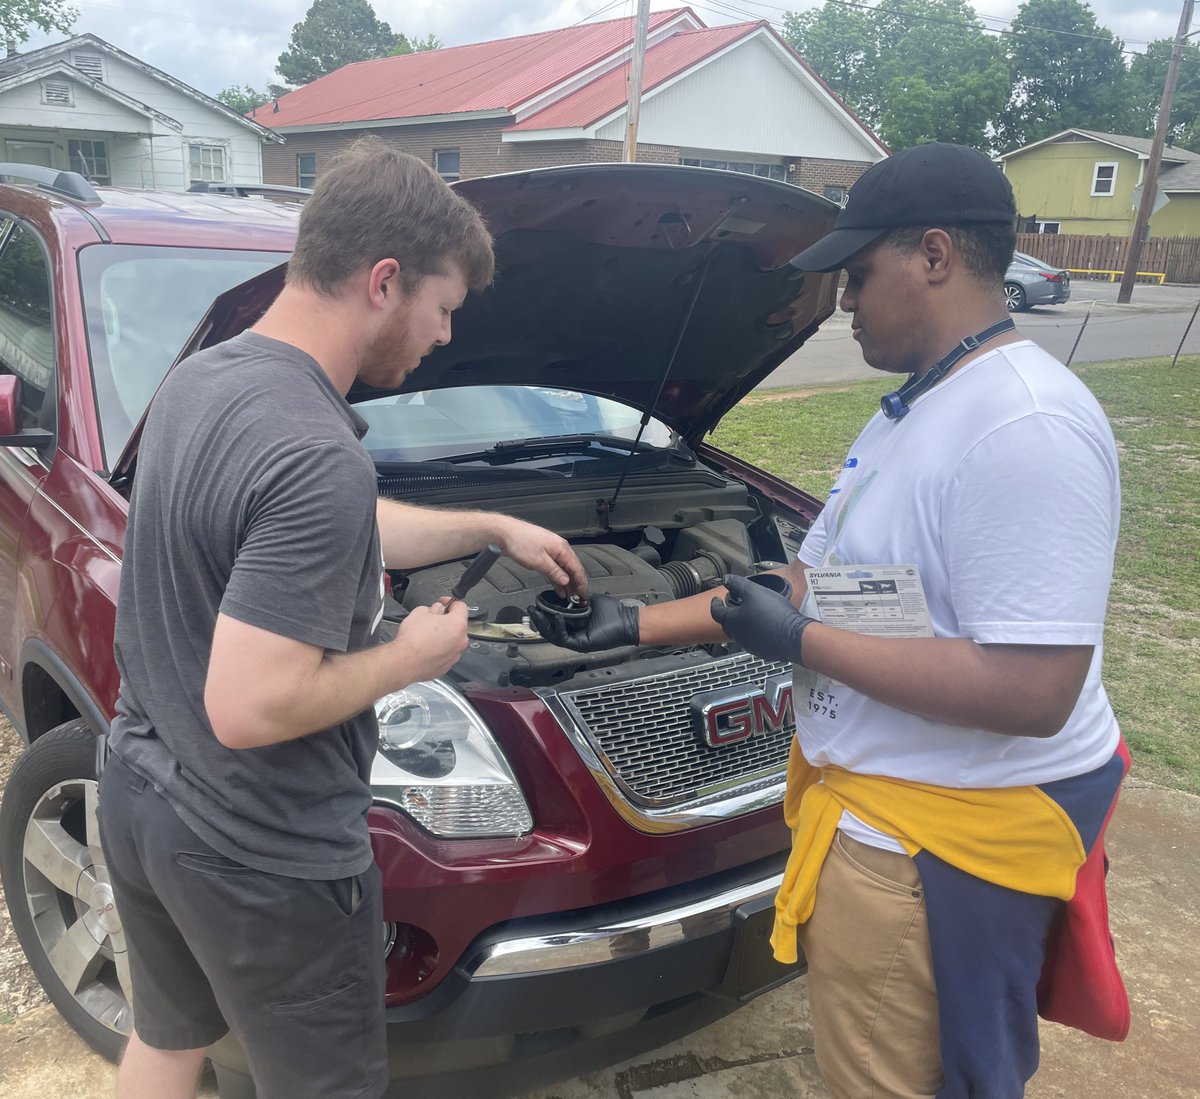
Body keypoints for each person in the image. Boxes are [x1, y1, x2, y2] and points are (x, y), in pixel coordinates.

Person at [531, 142, 1127, 1098]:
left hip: (940, 847)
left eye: (857, 274)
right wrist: (630, 624)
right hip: (889, 819)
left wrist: (802, 648)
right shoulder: (914, 409)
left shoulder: (1023, 428)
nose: (841, 302)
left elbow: (1035, 688)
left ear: (934, 255)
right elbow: (818, 584)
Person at [98, 137, 587, 1099]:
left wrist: (487, 521)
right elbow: (251, 704)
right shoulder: (317, 450)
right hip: (258, 848)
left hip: (143, 790)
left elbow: (310, 518)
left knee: (167, 1044)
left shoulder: (204, 377)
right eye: (443, 308)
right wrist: (413, 655)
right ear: (384, 280)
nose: (444, 335)